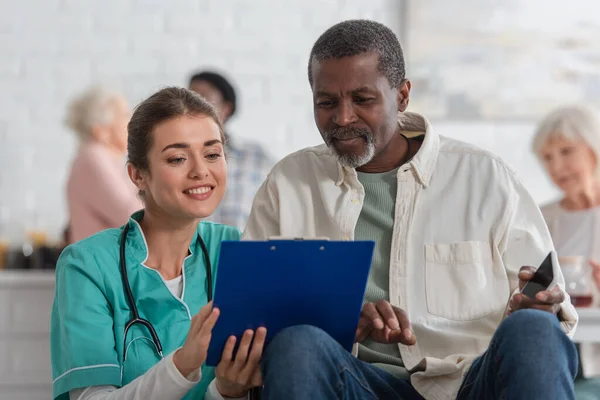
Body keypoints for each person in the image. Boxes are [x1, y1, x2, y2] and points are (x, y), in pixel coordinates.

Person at [243, 20, 579, 400]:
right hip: (352, 383)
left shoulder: (488, 179)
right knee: (300, 342)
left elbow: (549, 311)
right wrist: (337, 326)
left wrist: (540, 309)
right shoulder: (288, 183)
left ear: (402, 95)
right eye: (327, 102)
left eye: (363, 99)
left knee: (534, 329)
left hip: (467, 385)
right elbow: (255, 323)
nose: (343, 118)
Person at [51, 87, 265, 400]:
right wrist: (183, 364)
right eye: (177, 158)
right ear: (137, 175)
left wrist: (226, 391)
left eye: (212, 154)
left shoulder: (237, 250)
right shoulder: (86, 265)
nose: (201, 171)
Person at [532, 104, 600, 400]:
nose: (556, 167)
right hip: (558, 356)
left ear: (593, 148)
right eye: (547, 157)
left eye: (566, 151)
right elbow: (528, 290)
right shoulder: (539, 218)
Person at [188, 71, 274, 231]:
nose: (191, 110)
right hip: (190, 254)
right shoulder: (171, 158)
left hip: (244, 253)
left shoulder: (256, 158)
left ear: (226, 109)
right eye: (188, 101)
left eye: (203, 100)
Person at [64, 86, 143, 243]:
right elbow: (134, 216)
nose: (133, 121)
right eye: (124, 115)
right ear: (100, 131)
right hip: (99, 265)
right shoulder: (93, 158)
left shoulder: (105, 159)